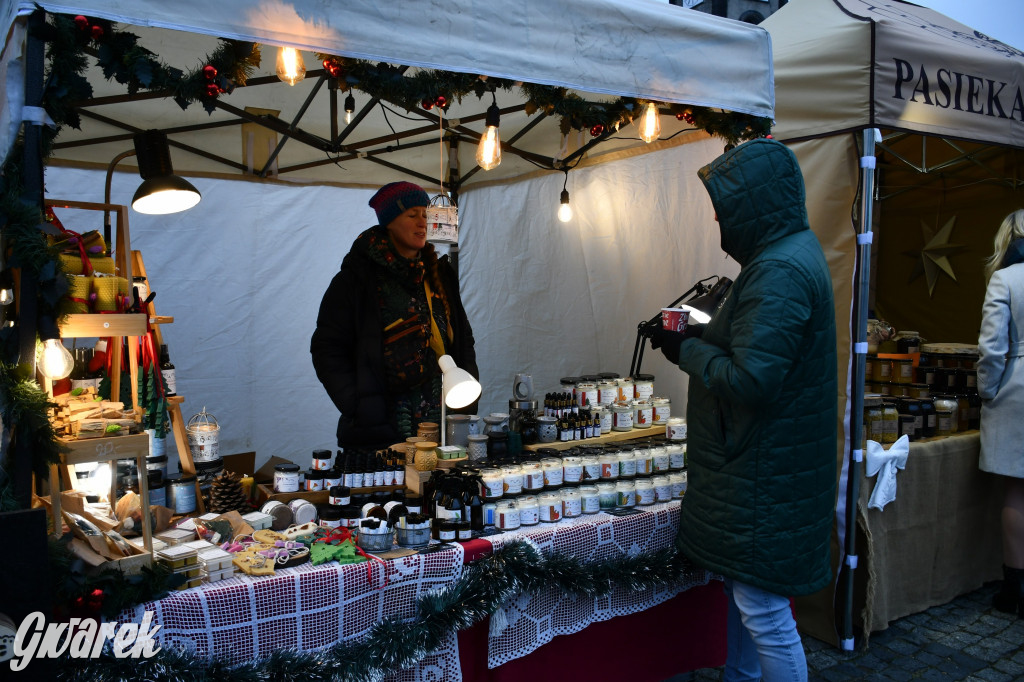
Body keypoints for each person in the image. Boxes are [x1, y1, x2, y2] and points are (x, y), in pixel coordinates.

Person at [648, 138, 837, 681]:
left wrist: (687, 349)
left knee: (765, 613)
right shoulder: (782, 255)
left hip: (763, 472)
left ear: (750, 206)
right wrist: (701, 327)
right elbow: (758, 343)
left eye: (722, 209)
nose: (716, 218)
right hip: (764, 464)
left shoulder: (779, 269)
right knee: (748, 602)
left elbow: (752, 378)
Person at [310, 181, 478, 450]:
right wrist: (359, 405)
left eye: (425, 214)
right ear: (388, 221)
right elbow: (327, 349)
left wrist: (466, 404)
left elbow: (463, 341)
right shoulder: (356, 280)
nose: (422, 222)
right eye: (412, 215)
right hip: (380, 430)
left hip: (441, 427)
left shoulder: (440, 276)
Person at [977, 208, 1024, 619]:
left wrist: (986, 392)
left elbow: (992, 348)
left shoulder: (1006, 279)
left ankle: (1016, 590)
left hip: (1018, 390)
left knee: (1017, 491)